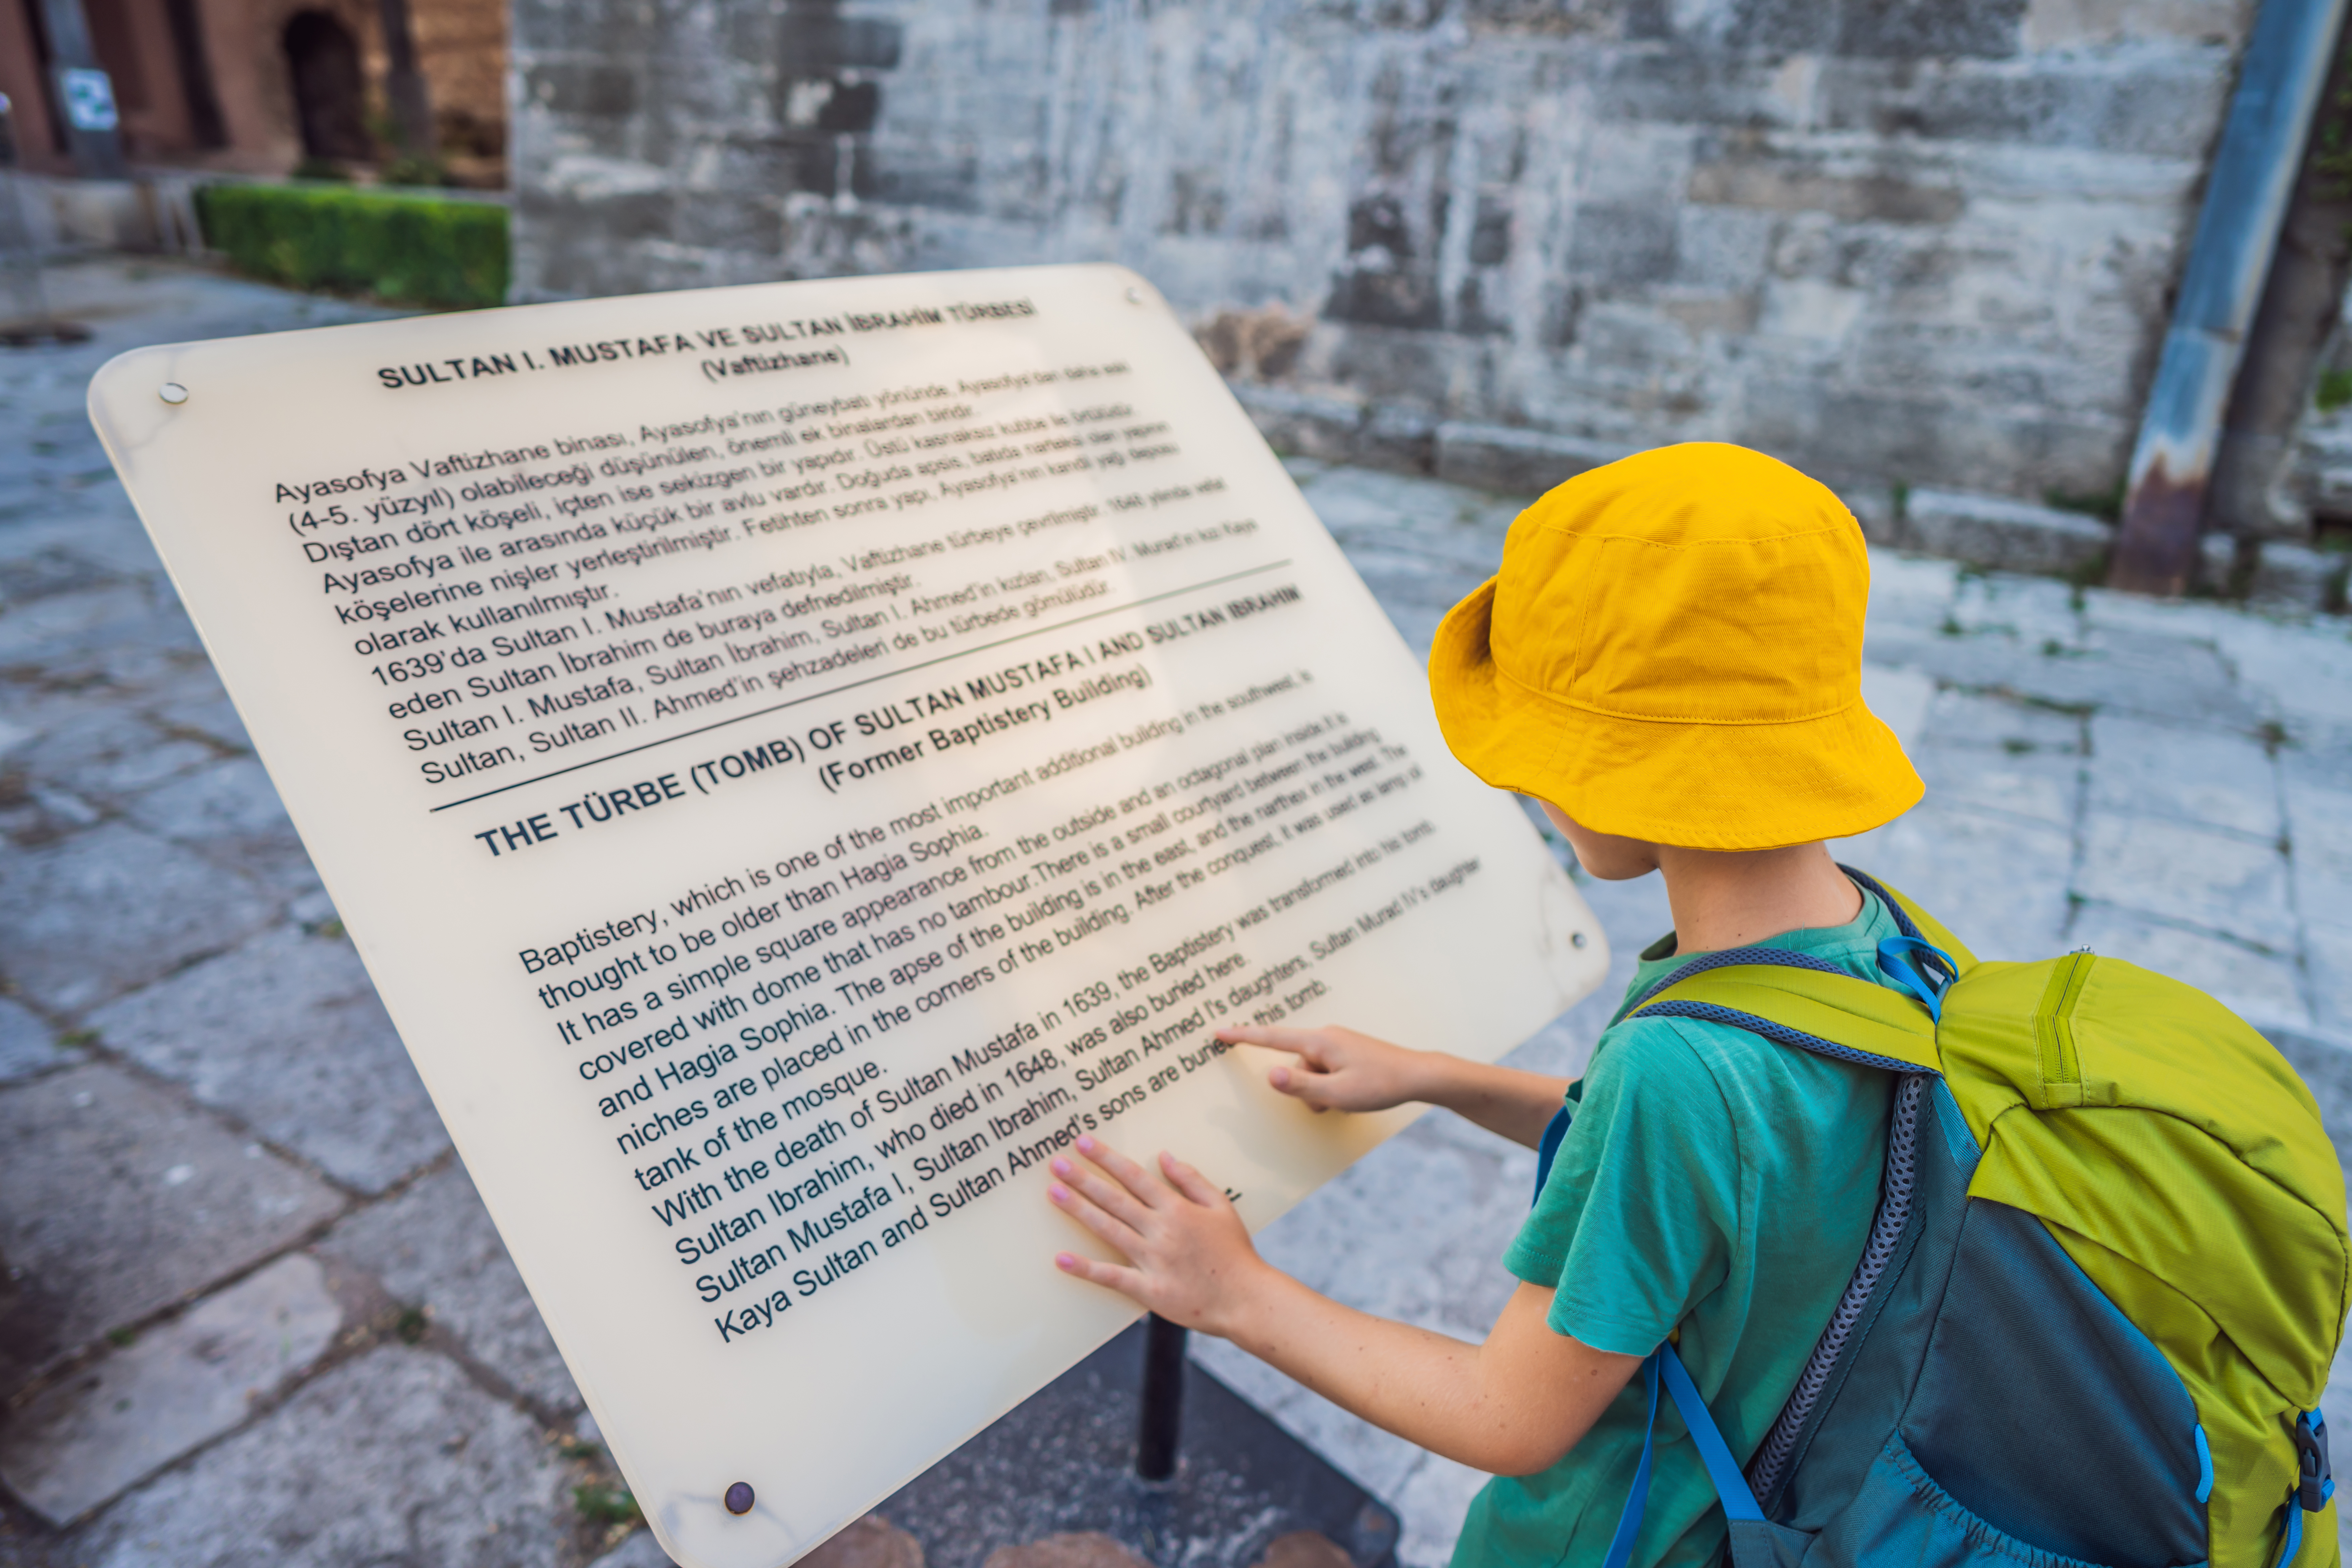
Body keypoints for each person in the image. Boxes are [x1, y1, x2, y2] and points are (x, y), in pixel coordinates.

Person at [1041, 442, 1930, 1567]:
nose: (1524, 780)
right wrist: (1440, 1078)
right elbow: (1729, 1165)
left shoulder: (1680, 1072)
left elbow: (1511, 1416)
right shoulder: (1877, 940)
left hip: (1633, 1536)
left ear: (1622, 764)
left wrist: (1237, 1293)